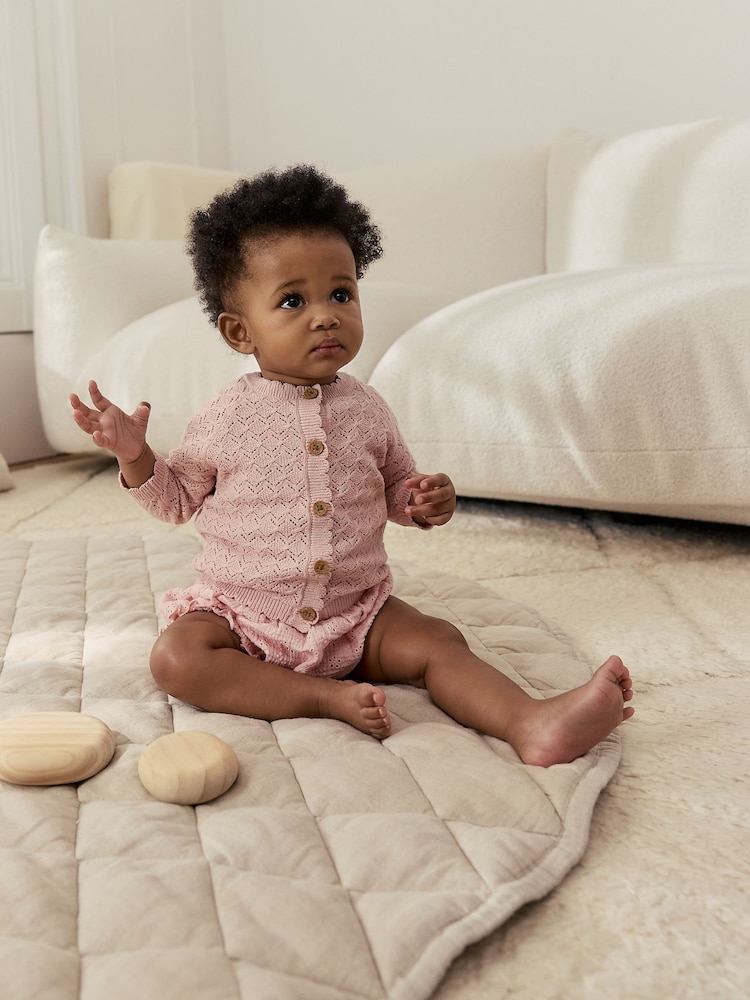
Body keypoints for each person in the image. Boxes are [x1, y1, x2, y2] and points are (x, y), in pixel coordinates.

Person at [70, 165, 633, 766]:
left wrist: (422, 501)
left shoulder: (368, 409)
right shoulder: (226, 415)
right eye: (293, 301)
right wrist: (137, 456)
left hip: (356, 615)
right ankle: (319, 698)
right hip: (244, 617)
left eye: (341, 293)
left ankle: (531, 722)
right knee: (175, 659)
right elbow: (175, 501)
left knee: (440, 642)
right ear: (240, 331)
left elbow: (395, 489)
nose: (325, 315)